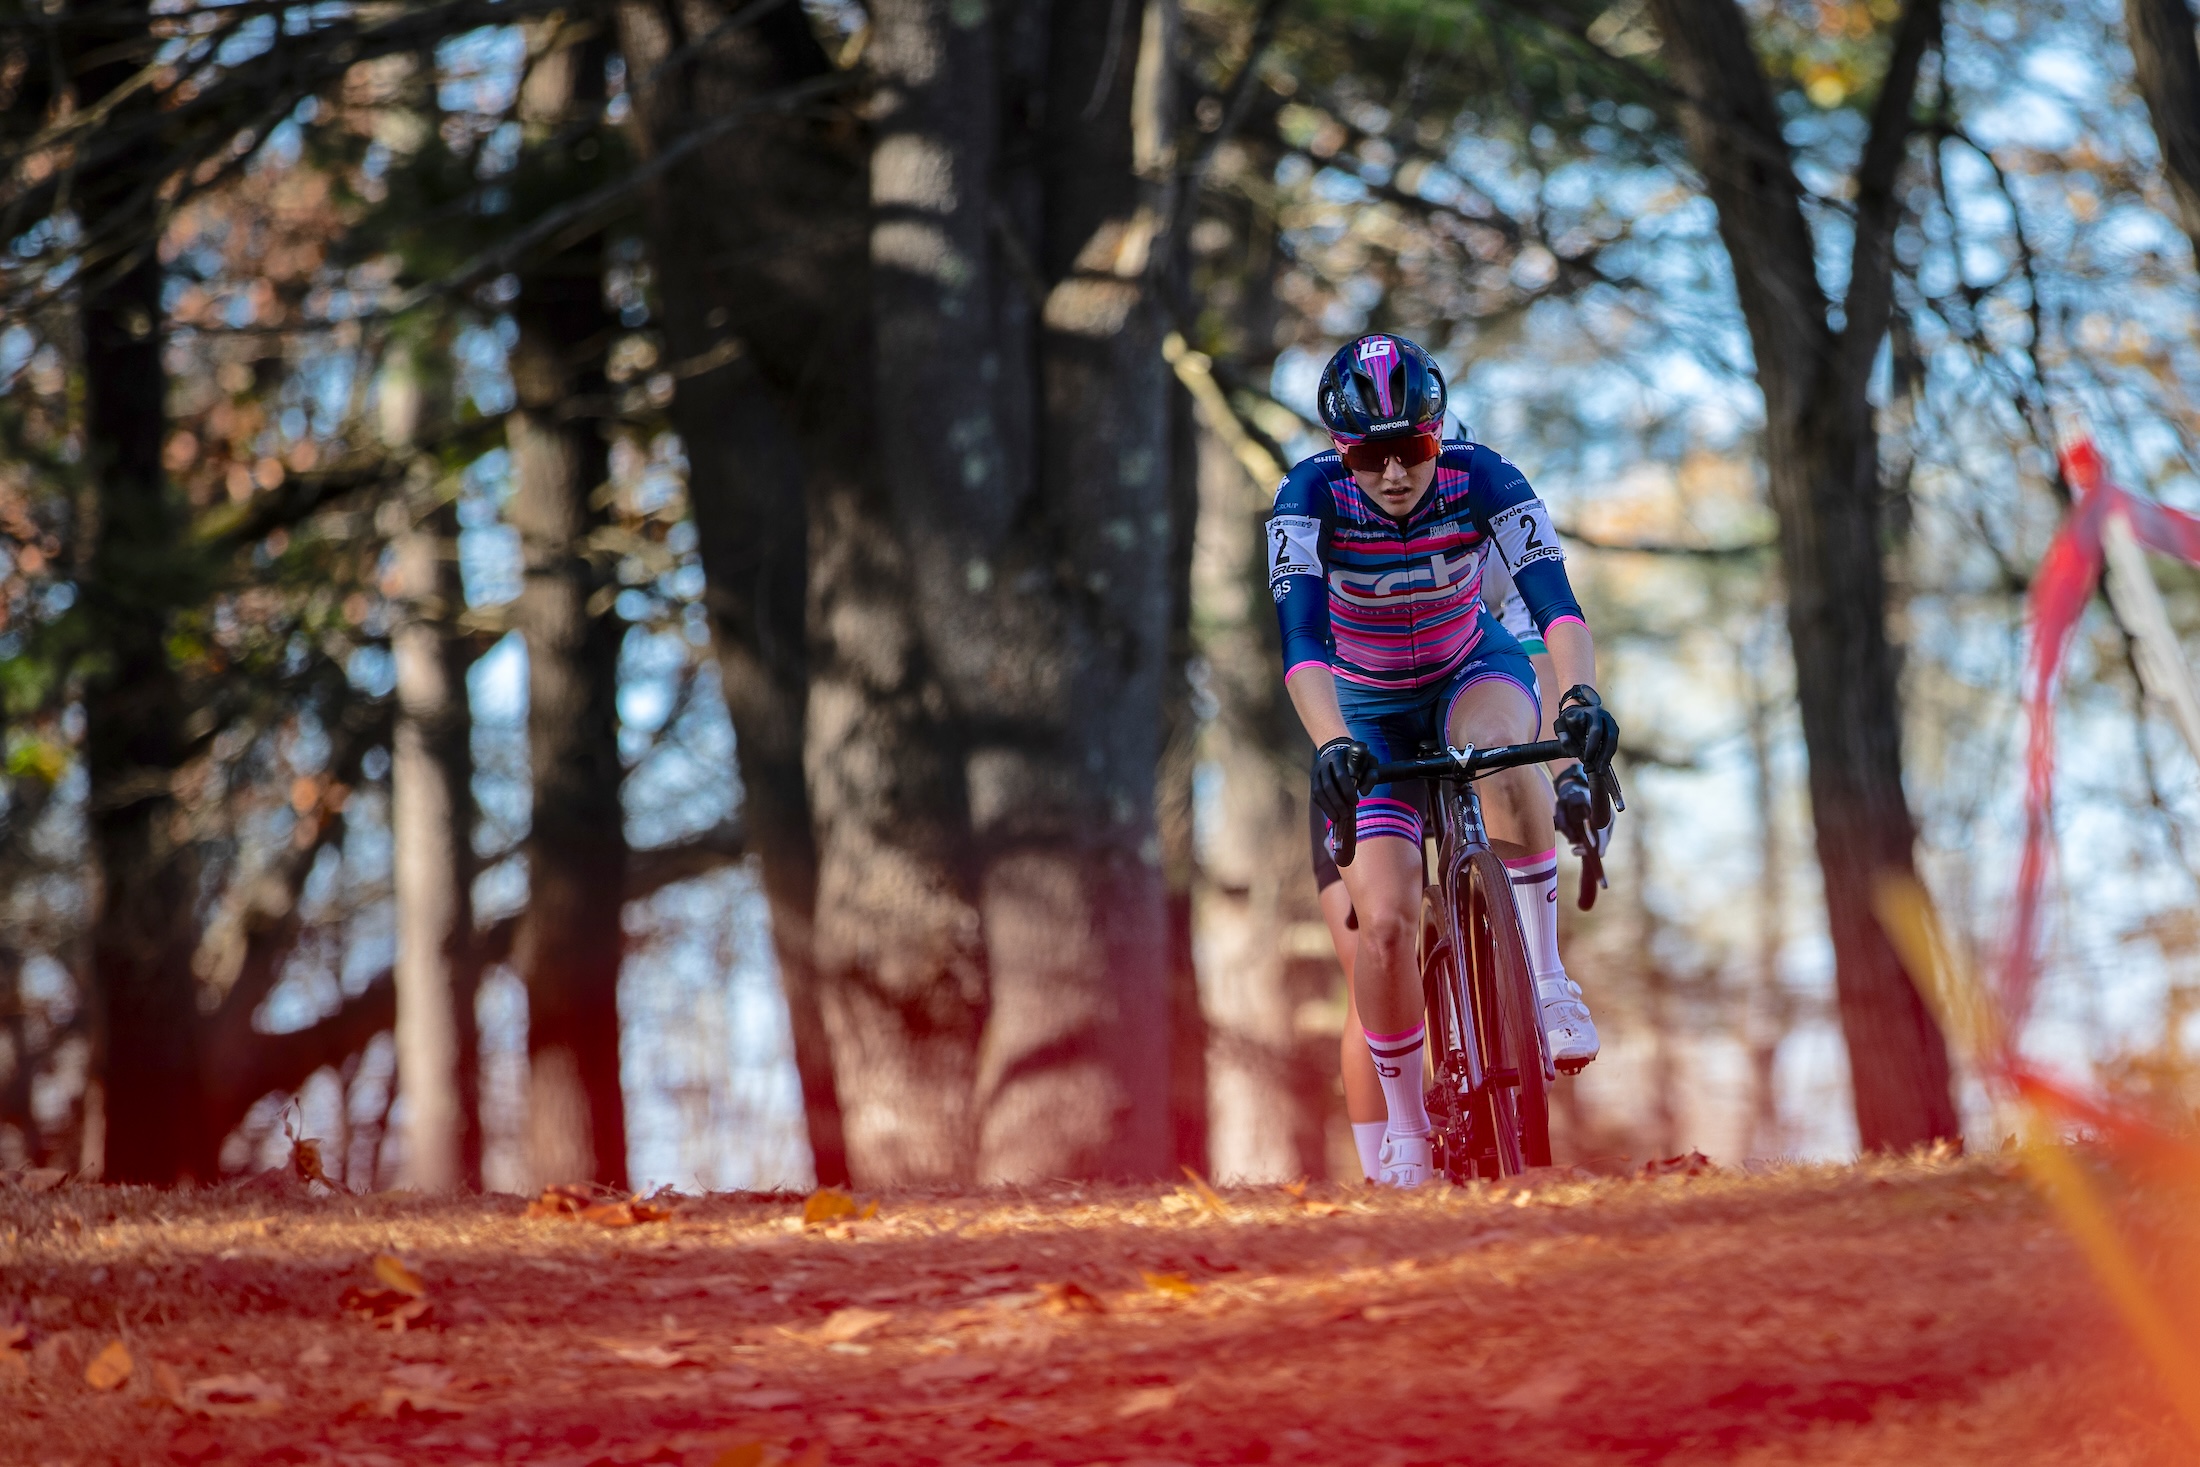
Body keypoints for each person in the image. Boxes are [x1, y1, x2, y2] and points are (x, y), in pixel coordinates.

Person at [1269, 333, 1619, 1187]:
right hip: (1367, 709)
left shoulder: (1485, 474)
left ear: (1439, 433)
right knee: (1383, 926)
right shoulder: (1306, 497)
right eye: (1371, 455)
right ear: (1339, 449)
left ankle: (1545, 980)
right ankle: (1409, 1133)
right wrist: (1333, 745)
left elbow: (1557, 605)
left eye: (1413, 448)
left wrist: (1580, 699)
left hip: (1471, 670)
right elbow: (1303, 640)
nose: (1394, 473)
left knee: (1506, 753)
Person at [1312, 563, 1574, 1184]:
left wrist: (1570, 783)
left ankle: (1522, 978)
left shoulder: (1498, 569)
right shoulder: (1346, 546)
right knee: (1374, 954)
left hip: (1464, 720)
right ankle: (1386, 1172)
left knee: (1506, 786)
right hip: (1367, 747)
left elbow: (1536, 690)